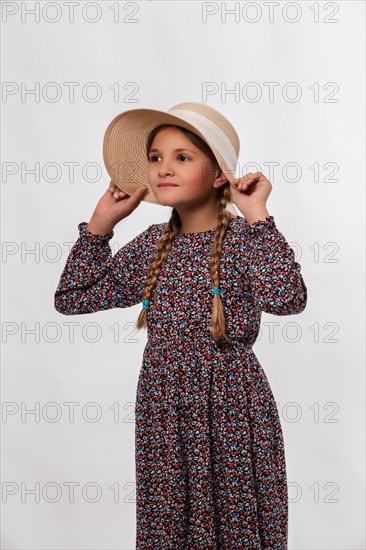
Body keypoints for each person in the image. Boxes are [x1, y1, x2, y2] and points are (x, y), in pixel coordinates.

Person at [54, 102, 307, 549]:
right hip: (163, 407)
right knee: (171, 523)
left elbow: (287, 300)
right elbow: (72, 299)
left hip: (230, 404)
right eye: (155, 157)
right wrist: (100, 225)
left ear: (217, 175)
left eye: (182, 157)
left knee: (235, 519)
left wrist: (258, 215)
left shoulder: (247, 240)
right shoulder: (153, 244)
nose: (163, 168)